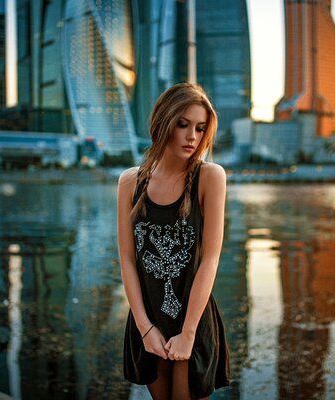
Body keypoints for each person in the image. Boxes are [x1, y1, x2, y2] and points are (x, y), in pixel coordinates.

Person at [116, 83, 230, 400]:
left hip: (192, 315)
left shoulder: (210, 177)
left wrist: (188, 333)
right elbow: (126, 259)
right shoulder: (129, 182)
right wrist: (145, 327)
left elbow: (210, 259)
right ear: (163, 122)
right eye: (183, 124)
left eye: (199, 128)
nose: (192, 136)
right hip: (148, 314)